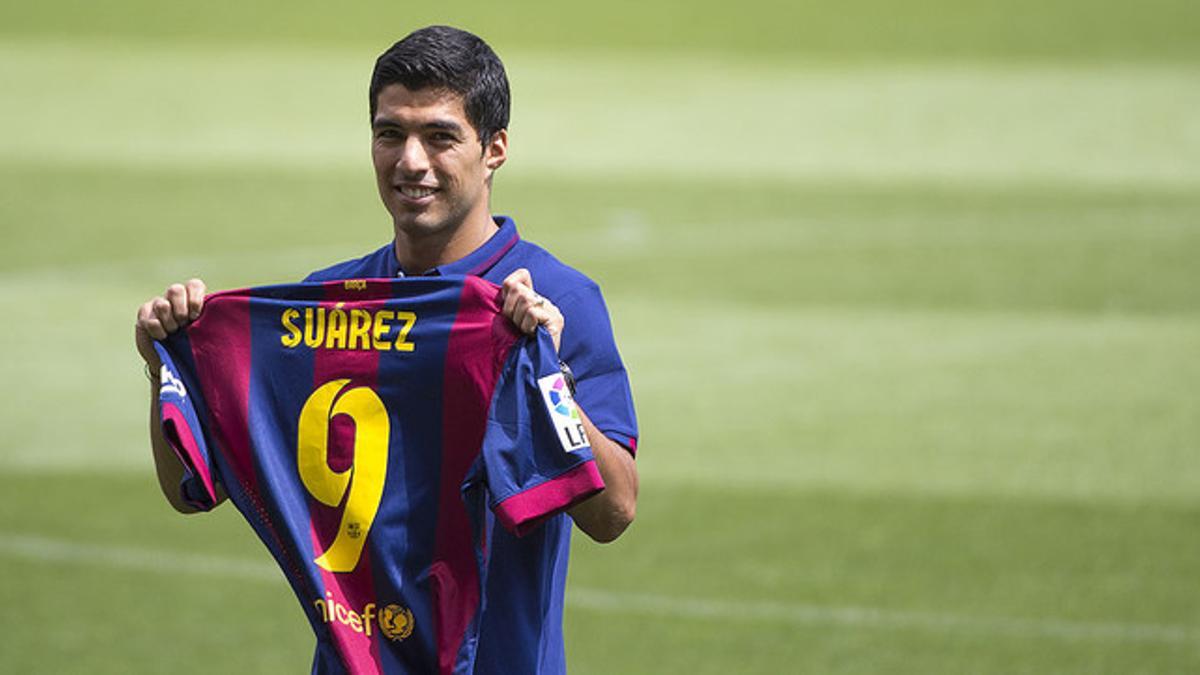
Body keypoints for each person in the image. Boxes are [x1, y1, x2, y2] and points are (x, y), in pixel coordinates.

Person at [133, 25, 638, 674]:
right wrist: (161, 367)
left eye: (440, 136)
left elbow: (614, 510)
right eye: (390, 133)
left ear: (495, 149)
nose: (411, 161)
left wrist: (547, 379)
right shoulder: (321, 311)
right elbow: (186, 488)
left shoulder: (557, 300)